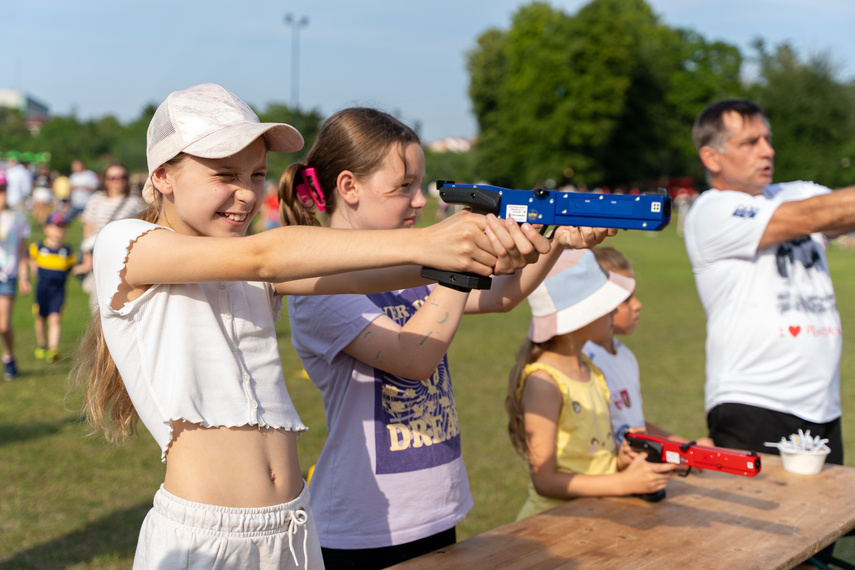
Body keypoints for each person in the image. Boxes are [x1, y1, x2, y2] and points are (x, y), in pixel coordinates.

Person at [68, 83, 533, 569]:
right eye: (224, 174)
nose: (246, 193)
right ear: (163, 175)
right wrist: (431, 242)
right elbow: (265, 257)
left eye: (256, 174)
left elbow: (379, 273)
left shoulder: (247, 267)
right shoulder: (127, 243)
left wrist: (489, 249)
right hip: (205, 539)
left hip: (292, 530)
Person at [280, 107, 613, 569]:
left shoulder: (408, 264)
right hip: (365, 528)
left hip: (435, 511)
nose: (419, 200)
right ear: (349, 187)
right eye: (403, 187)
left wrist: (554, 236)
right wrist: (458, 265)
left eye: (420, 185)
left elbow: (500, 296)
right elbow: (412, 358)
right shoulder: (318, 285)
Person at [684, 99, 855, 465]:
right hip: (754, 403)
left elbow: (841, 213)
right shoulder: (711, 210)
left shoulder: (794, 192)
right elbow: (814, 215)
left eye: (767, 138)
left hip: (823, 406)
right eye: (750, 142)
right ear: (712, 158)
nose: (768, 150)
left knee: (832, 522)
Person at [506, 249, 676, 519]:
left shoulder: (593, 372)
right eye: (604, 302)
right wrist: (622, 483)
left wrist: (621, 461)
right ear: (578, 315)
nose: (613, 309)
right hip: (551, 527)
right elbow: (545, 480)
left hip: (596, 518)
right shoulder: (544, 383)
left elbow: (596, 456)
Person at [583, 247, 714, 449]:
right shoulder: (583, 362)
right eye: (626, 299)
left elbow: (637, 427)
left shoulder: (626, 356)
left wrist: (687, 447)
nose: (638, 305)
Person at [76, 162, 145, 312]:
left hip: (123, 258)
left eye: (122, 177)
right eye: (113, 178)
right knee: (97, 303)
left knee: (119, 303)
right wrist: (87, 255)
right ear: (105, 180)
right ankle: (99, 335)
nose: (118, 181)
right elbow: (88, 228)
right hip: (98, 255)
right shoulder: (96, 199)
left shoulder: (134, 202)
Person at [29, 211, 76, 363]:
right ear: (47, 229)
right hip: (42, 289)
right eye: (56, 227)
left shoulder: (67, 251)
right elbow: (29, 258)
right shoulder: (38, 247)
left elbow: (71, 269)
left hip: (58, 291)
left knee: (55, 318)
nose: (59, 231)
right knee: (41, 317)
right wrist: (31, 268)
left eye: (62, 227)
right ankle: (42, 345)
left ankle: (53, 348)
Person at [0, 168, 31, 380]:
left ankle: (9, 356)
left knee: (3, 325)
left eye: (2, 189)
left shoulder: (18, 217)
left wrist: (24, 277)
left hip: (7, 275)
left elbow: (21, 251)